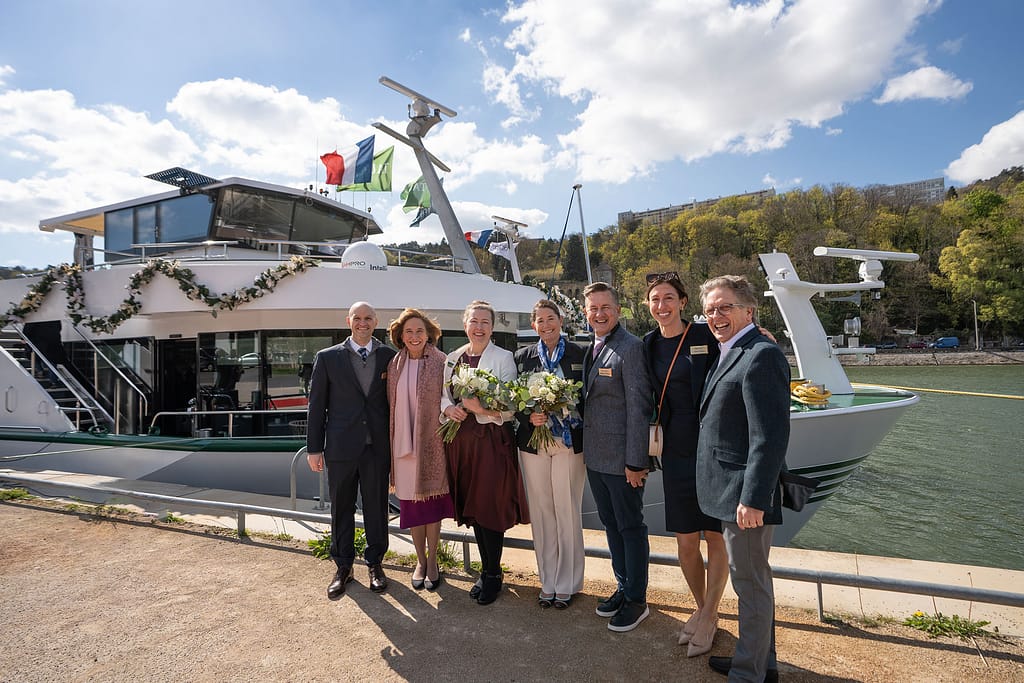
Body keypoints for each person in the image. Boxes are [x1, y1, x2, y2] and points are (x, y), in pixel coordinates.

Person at [696, 276, 790, 683]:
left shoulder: (761, 355)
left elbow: (769, 437)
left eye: (725, 308)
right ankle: (758, 661)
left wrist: (754, 499)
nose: (716, 316)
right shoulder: (731, 350)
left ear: (748, 311)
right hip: (729, 490)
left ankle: (749, 674)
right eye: (710, 310)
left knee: (750, 584)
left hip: (743, 496)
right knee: (752, 580)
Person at [643, 272, 729, 657]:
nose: (661, 306)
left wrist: (763, 334)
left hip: (712, 448)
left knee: (714, 536)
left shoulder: (704, 335)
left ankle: (709, 615)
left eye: (668, 298)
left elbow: (737, 347)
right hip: (675, 452)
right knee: (685, 541)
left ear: (681, 302)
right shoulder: (647, 346)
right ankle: (703, 608)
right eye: (654, 300)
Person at [306, 301, 397, 599]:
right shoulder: (327, 357)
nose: (362, 322)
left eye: (368, 318)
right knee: (341, 507)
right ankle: (343, 566)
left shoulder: (389, 357)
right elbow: (316, 406)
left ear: (376, 321)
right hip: (341, 448)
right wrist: (314, 448)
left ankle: (375, 564)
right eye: (357, 318)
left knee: (376, 508)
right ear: (348, 321)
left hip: (376, 448)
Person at [441, 300, 529, 605]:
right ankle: (487, 571)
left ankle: (493, 574)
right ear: (465, 325)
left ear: (492, 327)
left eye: (485, 322)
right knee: (475, 508)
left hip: (492, 441)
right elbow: (443, 395)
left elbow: (512, 405)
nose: (479, 327)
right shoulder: (453, 358)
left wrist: (484, 409)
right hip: (462, 442)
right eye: (474, 321)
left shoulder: (504, 358)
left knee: (490, 506)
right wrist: (448, 409)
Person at [581, 282, 654, 632]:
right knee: (611, 527)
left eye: (605, 307)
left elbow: (639, 409)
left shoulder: (631, 348)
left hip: (623, 462)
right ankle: (623, 587)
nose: (599, 313)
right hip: (596, 458)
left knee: (630, 528)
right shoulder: (594, 347)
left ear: (618, 309)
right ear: (585, 313)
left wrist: (636, 462)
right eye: (593, 308)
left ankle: (637, 600)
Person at [514, 299, 586, 609]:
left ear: (561, 320)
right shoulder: (523, 357)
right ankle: (548, 581)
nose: (546, 325)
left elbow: (590, 396)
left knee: (566, 509)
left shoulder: (580, 354)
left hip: (569, 442)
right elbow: (513, 399)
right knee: (542, 512)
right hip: (534, 442)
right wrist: (529, 416)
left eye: (550, 318)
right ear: (533, 326)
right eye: (539, 320)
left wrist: (568, 408)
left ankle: (569, 582)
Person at [386, 308, 455, 591]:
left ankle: (434, 562)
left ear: (429, 334)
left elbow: (448, 397)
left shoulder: (441, 361)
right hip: (402, 446)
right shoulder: (395, 364)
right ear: (400, 336)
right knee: (412, 507)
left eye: (419, 331)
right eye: (408, 332)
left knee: (431, 506)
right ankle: (420, 560)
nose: (414, 336)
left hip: (431, 444)